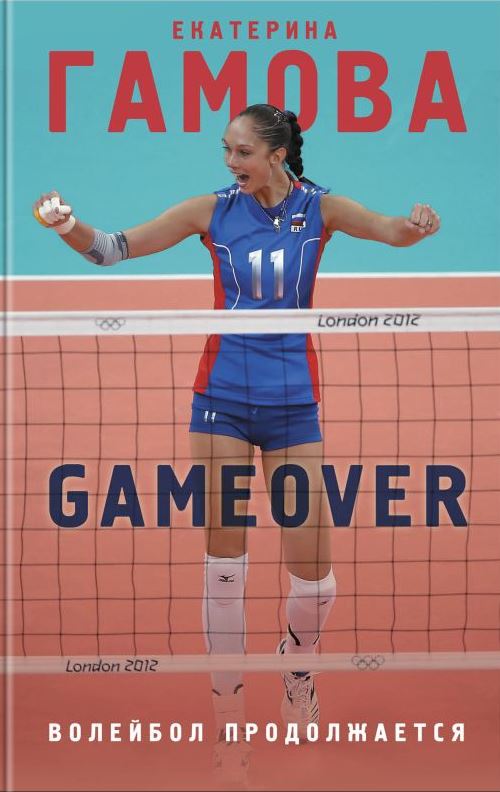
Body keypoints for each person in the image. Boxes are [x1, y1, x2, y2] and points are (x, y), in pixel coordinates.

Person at [33, 103, 440, 788]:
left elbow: (390, 231)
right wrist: (67, 225)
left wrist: (416, 226)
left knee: (316, 578)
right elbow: (111, 249)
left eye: (243, 152)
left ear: (277, 155)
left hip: (293, 406)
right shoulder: (211, 211)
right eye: (226, 150)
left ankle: (298, 671)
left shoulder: (321, 209)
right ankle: (227, 714)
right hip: (220, 400)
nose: (231, 162)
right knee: (226, 567)